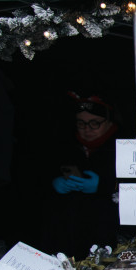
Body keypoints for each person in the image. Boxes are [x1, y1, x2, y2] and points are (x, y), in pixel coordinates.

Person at [46, 92, 121, 258]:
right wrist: (53, 183)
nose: (87, 129)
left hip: (110, 233)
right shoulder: (66, 146)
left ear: (109, 122)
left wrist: (105, 185)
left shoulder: (122, 147)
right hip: (71, 233)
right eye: (81, 123)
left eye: (94, 123)